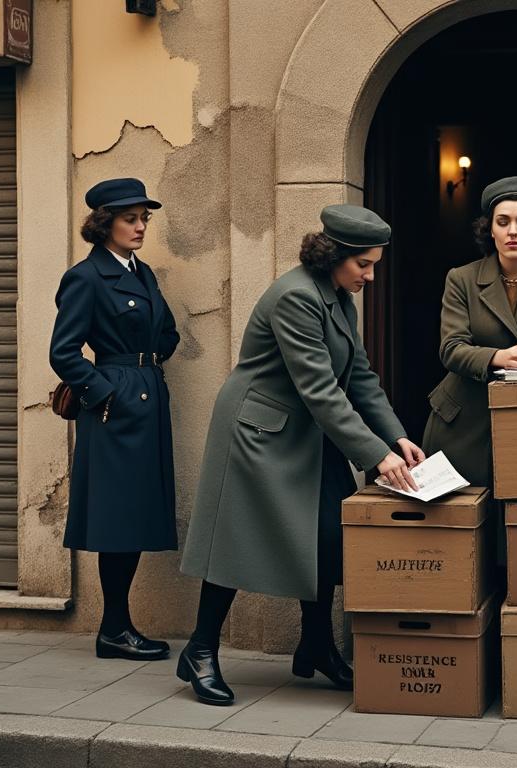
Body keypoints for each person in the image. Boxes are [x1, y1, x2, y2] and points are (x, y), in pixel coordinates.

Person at [178, 204, 424, 706]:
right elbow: (321, 390)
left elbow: (358, 378)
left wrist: (397, 437)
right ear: (334, 255)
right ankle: (200, 650)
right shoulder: (295, 297)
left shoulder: (338, 297)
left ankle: (315, 645)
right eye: (365, 265)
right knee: (234, 542)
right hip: (258, 430)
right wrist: (377, 456)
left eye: (375, 265)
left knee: (329, 534)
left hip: (307, 432)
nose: (371, 276)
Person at [50, 178, 180, 662]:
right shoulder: (85, 278)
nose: (141, 226)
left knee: (138, 514)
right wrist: (106, 391)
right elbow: (63, 352)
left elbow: (166, 331)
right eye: (131, 218)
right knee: (118, 519)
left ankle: (118, 627)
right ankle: (114, 628)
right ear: (105, 223)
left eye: (145, 218)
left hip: (148, 399)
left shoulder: (142, 272)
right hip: (116, 407)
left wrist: (149, 358)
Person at [422, 176, 517, 485]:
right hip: (463, 420)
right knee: (461, 521)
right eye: (503, 221)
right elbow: (451, 348)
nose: (513, 231)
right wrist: (497, 357)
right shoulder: (461, 279)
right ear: (490, 230)